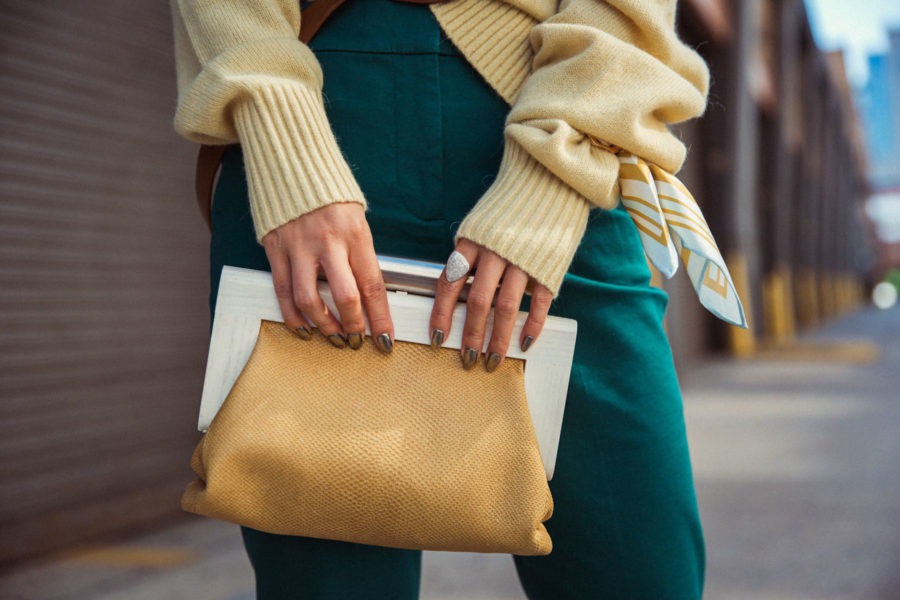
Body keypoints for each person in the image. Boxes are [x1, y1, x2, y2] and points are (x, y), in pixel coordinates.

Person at [170, 0, 711, 597]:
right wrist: (282, 136)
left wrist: (552, 177)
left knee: (642, 570)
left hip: (565, 154)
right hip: (313, 119)